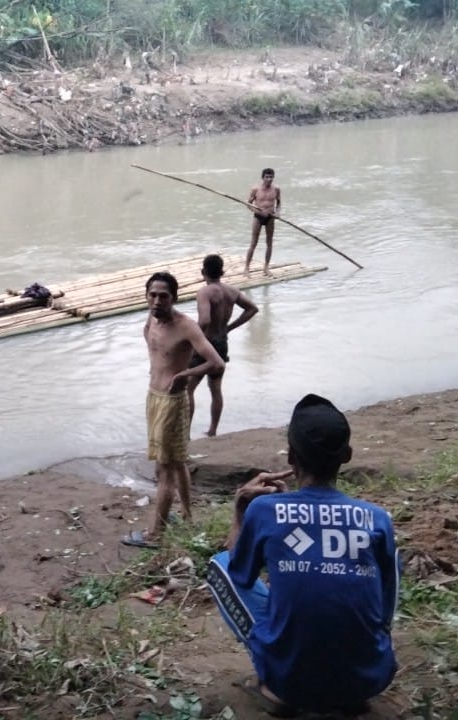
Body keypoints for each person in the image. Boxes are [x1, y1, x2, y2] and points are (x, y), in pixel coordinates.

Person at [205, 394, 398, 718]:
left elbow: (240, 575)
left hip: (290, 682)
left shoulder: (265, 510)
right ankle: (353, 674)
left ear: (292, 457)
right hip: (368, 679)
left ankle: (274, 689)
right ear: (347, 456)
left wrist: (240, 513)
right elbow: (385, 603)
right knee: (385, 564)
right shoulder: (376, 518)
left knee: (220, 565)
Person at [122, 272, 225, 549]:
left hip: (172, 401)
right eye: (152, 295)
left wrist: (183, 376)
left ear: (174, 298)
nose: (157, 301)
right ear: (146, 296)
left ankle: (155, 535)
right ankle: (188, 516)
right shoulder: (151, 319)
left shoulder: (186, 326)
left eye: (163, 296)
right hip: (153, 397)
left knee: (164, 469)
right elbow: (155, 350)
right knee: (177, 462)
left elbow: (216, 363)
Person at [187, 255, 259, 437]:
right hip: (221, 343)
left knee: (188, 389)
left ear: (203, 272)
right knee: (216, 389)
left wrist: (193, 340)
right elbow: (252, 309)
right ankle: (212, 430)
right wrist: (229, 327)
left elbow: (204, 320)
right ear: (222, 272)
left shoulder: (204, 292)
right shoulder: (232, 291)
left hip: (205, 345)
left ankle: (185, 433)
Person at [246, 168, 282, 275]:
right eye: (267, 177)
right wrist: (258, 211)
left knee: (269, 243)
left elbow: (279, 203)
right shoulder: (255, 189)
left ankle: (266, 268)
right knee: (254, 243)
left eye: (271, 177)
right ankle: (246, 268)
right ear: (263, 177)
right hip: (258, 217)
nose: (269, 179)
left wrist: (277, 213)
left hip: (270, 218)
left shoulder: (276, 189)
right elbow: (248, 204)